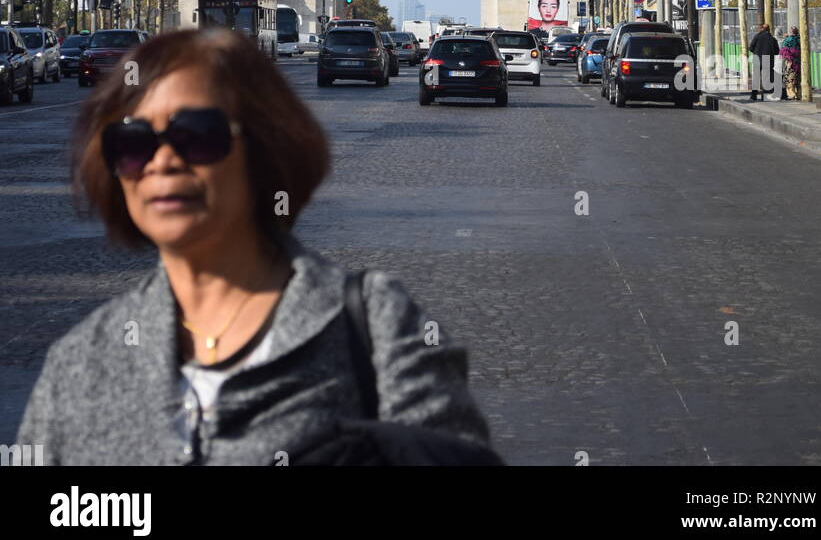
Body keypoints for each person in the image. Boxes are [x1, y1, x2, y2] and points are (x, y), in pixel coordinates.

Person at [17, 27, 495, 466]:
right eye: (133, 142)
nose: (162, 162)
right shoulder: (78, 365)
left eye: (196, 136)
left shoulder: (375, 331)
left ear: (266, 147)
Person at [748, 23, 779, 102]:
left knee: (756, 78)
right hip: (768, 60)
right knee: (767, 78)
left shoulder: (757, 36)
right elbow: (777, 51)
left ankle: (753, 96)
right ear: (769, 29)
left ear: (762, 29)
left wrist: (757, 52)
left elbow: (751, 48)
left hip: (757, 60)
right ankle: (766, 95)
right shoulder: (773, 39)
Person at [779, 27, 802, 102]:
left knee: (789, 79)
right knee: (798, 78)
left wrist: (788, 59)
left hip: (790, 62)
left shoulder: (787, 40)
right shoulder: (800, 40)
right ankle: (799, 94)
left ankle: (792, 95)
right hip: (799, 62)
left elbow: (784, 51)